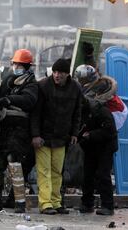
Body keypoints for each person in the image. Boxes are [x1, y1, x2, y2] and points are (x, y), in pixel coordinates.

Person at [0, 48, 38, 213]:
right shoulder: (9, 80)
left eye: (19, 64)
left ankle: (17, 201)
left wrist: (9, 100)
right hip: (2, 129)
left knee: (16, 167)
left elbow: (29, 100)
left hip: (18, 132)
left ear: (26, 66)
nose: (16, 66)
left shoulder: (31, 84)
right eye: (15, 63)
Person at [31, 58, 82, 215]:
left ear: (67, 74)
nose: (57, 75)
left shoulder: (75, 88)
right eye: (54, 72)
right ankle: (45, 204)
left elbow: (77, 112)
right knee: (44, 171)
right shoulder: (43, 86)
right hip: (44, 138)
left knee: (57, 172)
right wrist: (35, 135)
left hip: (61, 137)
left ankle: (56, 202)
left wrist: (74, 133)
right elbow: (35, 113)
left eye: (60, 72)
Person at [78, 97, 118, 216]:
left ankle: (108, 205)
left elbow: (110, 131)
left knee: (103, 175)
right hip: (90, 146)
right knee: (87, 175)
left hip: (105, 146)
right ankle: (87, 203)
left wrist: (91, 135)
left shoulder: (100, 110)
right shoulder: (79, 111)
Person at [74, 64, 128, 130]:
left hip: (115, 113)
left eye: (81, 79)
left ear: (87, 79)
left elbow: (91, 103)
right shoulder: (94, 82)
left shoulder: (99, 87)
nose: (78, 81)